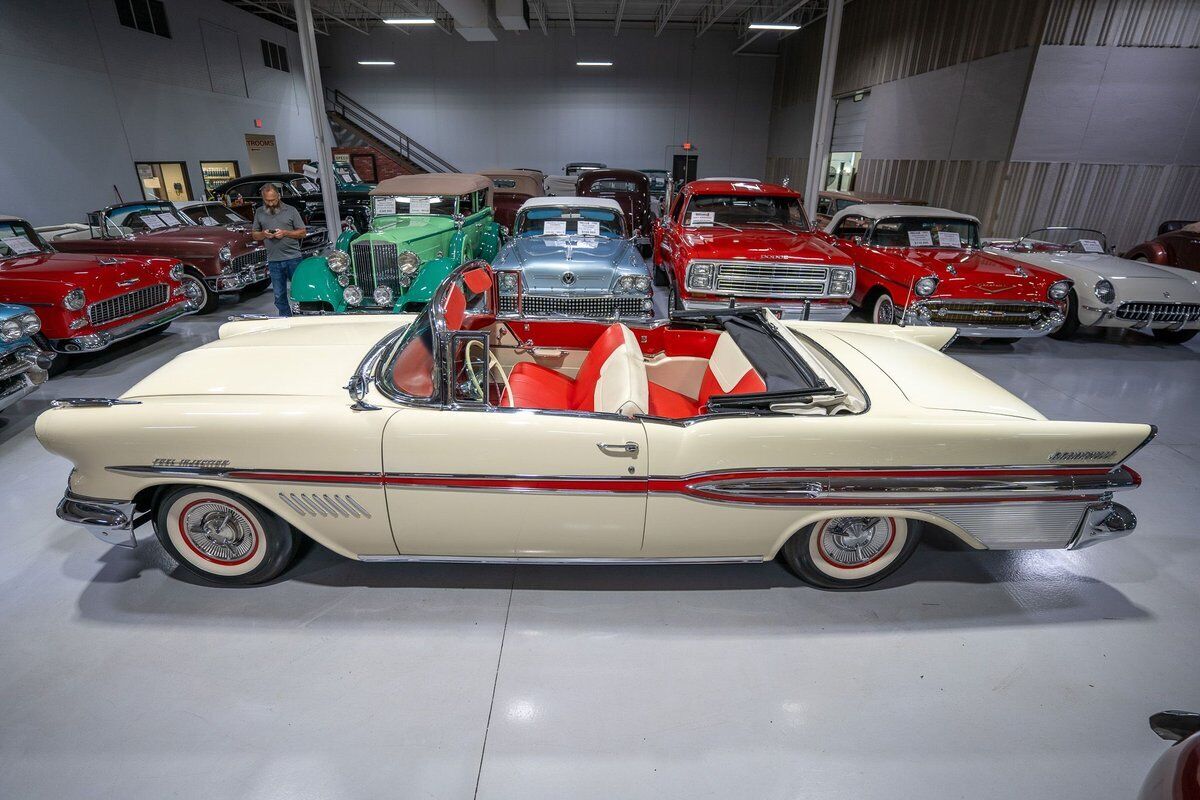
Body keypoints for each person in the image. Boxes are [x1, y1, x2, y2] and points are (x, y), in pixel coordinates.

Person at [251, 184, 307, 316]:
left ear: (279, 196)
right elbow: (254, 234)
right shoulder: (259, 212)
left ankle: (303, 316)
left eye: (273, 200)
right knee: (279, 295)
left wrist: (285, 233)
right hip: (274, 260)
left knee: (300, 290)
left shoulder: (291, 210)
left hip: (293, 258)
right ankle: (285, 319)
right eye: (267, 201)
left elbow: (303, 232)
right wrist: (264, 234)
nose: (270, 203)